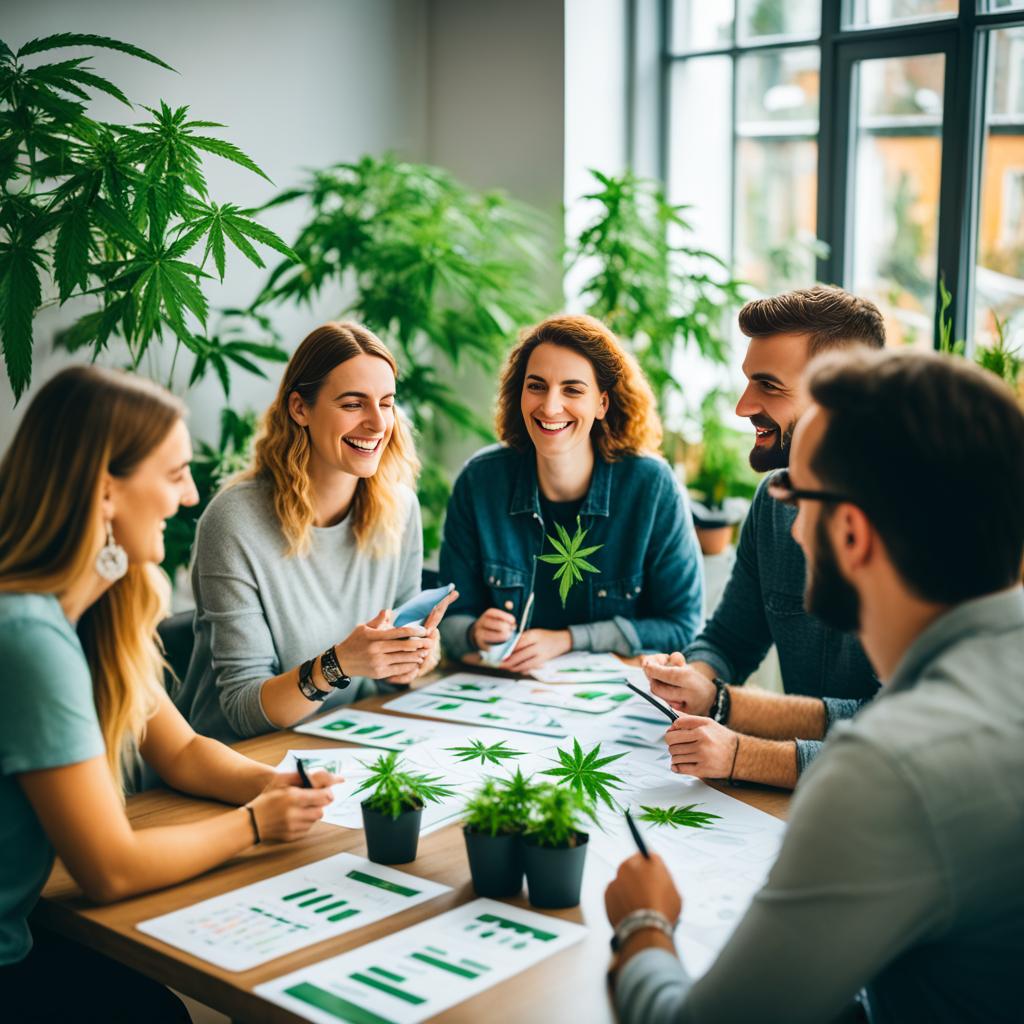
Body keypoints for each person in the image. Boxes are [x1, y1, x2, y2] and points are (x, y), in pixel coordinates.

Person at [605, 348, 1024, 1023]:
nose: (791, 521)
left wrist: (644, 924)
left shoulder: (889, 769)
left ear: (852, 532)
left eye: (800, 497)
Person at [0, 366, 338, 1022]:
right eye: (174, 472)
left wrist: (269, 787)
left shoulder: (95, 607)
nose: (189, 497)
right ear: (105, 490)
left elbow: (181, 750)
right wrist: (252, 825)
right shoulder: (28, 637)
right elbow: (110, 869)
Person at [642, 286, 885, 789]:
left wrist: (740, 753)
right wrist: (699, 677)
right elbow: (731, 636)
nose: (742, 406)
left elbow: (890, 740)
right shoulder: (774, 499)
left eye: (768, 386)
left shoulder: (917, 531)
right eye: (748, 381)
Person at [177, 322, 454, 744]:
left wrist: (410, 658)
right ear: (299, 408)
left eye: (387, 403)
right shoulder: (234, 521)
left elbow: (387, 672)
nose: (378, 423)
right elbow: (241, 708)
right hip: (238, 761)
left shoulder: (400, 507)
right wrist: (338, 664)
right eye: (353, 404)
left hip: (346, 740)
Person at [438, 314, 703, 672]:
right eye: (536, 386)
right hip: (505, 696)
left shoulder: (651, 486)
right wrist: (473, 632)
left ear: (602, 404)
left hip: (609, 704)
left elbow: (682, 627)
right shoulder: (480, 481)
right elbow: (446, 623)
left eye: (573, 390)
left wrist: (568, 640)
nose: (549, 406)